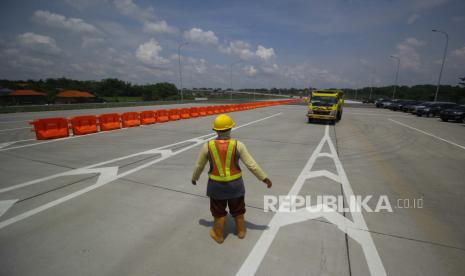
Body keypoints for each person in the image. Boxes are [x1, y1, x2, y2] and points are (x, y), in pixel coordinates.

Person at [191, 114, 272, 244]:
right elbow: (251, 165)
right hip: (236, 186)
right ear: (231, 129)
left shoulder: (208, 146)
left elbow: (199, 165)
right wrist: (264, 178)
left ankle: (218, 235)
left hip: (216, 187)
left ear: (216, 130)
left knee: (218, 212)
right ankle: (241, 231)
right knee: (238, 209)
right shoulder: (238, 145)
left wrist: (194, 178)